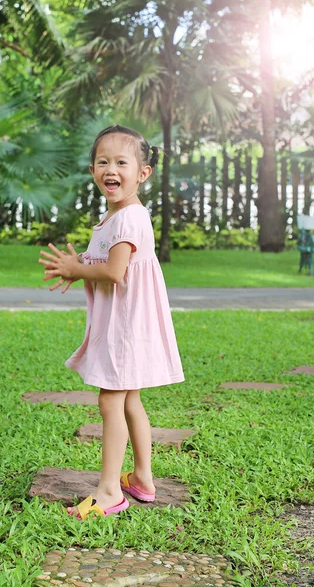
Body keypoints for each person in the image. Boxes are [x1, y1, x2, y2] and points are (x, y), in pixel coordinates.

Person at [38, 125, 185, 520]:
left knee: (110, 400)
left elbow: (117, 272)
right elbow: (105, 263)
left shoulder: (128, 219)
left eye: (122, 161)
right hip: (127, 323)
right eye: (103, 162)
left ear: (143, 173)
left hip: (124, 327)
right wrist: (78, 267)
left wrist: (78, 268)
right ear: (92, 171)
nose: (111, 169)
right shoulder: (116, 217)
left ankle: (108, 493)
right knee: (130, 399)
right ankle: (142, 479)